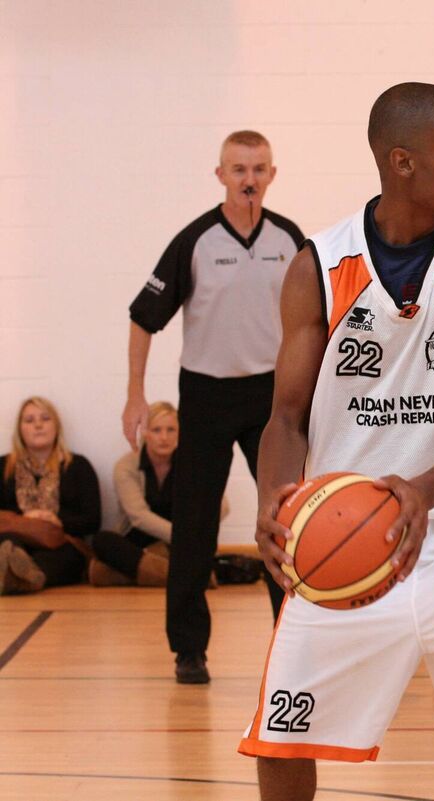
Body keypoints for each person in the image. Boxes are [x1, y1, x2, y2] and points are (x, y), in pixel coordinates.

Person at [244, 83, 434, 801]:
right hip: (350, 532)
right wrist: (274, 501)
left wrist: (423, 490)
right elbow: (284, 420)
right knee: (282, 736)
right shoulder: (317, 265)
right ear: (403, 162)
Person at [123, 130, 303, 684]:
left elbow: (317, 319)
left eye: (259, 168)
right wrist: (135, 393)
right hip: (204, 395)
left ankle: (292, 640)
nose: (249, 178)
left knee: (285, 519)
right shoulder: (196, 240)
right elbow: (143, 316)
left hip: (272, 396)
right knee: (195, 526)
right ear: (220, 174)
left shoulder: (289, 239)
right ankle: (188, 650)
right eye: (238, 168)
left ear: (273, 174)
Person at [91, 402, 227, 587]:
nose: (164, 437)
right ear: (144, 432)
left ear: (180, 432)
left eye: (171, 429)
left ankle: (155, 574)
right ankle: (190, 577)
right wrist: (181, 537)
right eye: (156, 430)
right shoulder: (126, 466)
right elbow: (138, 516)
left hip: (177, 541)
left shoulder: (192, 462)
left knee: (100, 572)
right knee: (102, 540)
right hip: (139, 540)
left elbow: (222, 505)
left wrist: (193, 532)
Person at [0, 397, 99, 594]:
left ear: (57, 426)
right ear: (20, 429)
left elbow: (93, 520)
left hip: (61, 542)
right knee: (8, 543)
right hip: (17, 538)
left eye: (45, 418)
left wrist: (57, 520)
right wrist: (24, 521)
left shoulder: (78, 466)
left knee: (69, 556)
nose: (38, 425)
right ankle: (17, 573)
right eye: (29, 420)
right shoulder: (3, 466)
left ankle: (22, 576)